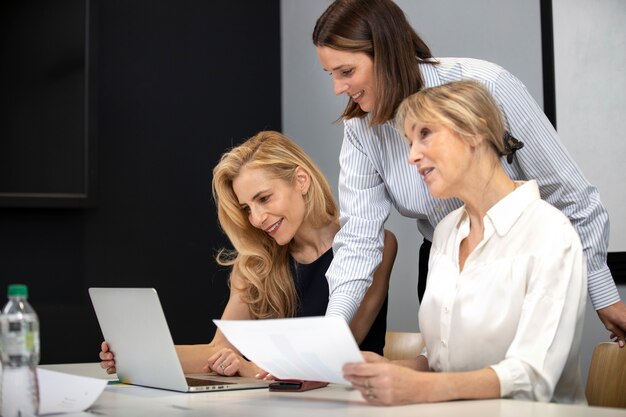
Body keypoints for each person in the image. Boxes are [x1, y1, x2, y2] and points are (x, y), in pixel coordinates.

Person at [312, 0, 626, 345]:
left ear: (384, 53)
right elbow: (359, 235)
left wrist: (602, 289)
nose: (338, 89)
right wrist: (332, 327)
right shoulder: (361, 126)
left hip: (514, 259)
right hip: (442, 258)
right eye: (331, 75)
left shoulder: (486, 84)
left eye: (346, 72)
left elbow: (568, 193)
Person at [343, 80, 587, 405]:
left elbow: (533, 377)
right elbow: (442, 358)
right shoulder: (445, 232)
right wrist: (390, 370)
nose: (411, 157)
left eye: (425, 134)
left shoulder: (550, 233)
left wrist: (420, 388)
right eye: (409, 142)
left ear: (474, 131)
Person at [99, 131, 397, 377]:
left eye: (264, 198)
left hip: (352, 402)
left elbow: (338, 350)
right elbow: (219, 350)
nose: (257, 219)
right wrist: (136, 356)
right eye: (247, 208)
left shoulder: (377, 245)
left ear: (301, 180)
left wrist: (246, 367)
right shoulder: (255, 262)